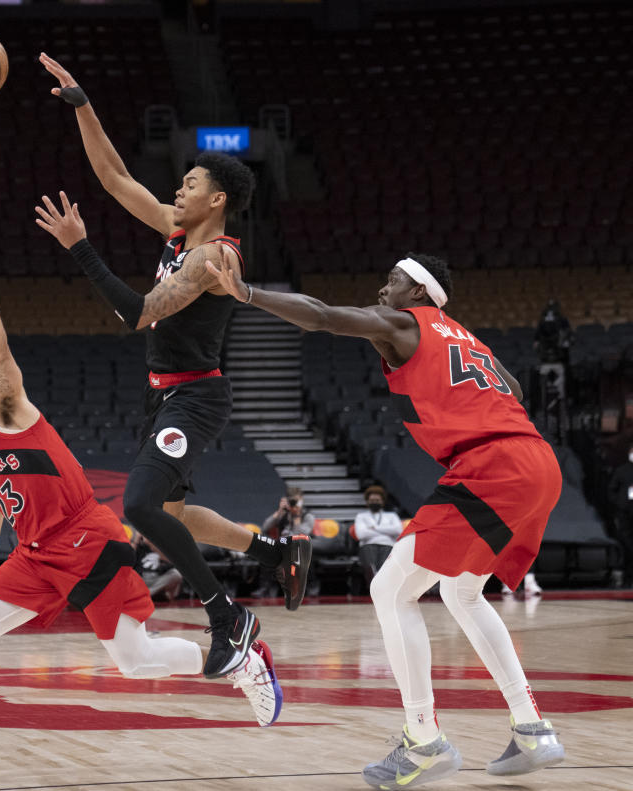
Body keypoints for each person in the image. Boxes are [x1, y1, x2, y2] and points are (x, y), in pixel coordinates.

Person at [0, 236, 282, 781]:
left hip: (86, 538)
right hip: (35, 554)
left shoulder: (7, 409)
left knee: (135, 661)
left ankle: (242, 663)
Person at [208, 252, 566, 788]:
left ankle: (424, 741)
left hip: (491, 465)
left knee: (390, 590)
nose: (382, 289)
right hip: (537, 462)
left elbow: (323, 315)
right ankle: (533, 729)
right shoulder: (463, 336)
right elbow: (511, 388)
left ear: (419, 293)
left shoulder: (405, 323)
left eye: (393, 281)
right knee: (462, 593)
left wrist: (248, 295)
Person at [35, 52, 313, 679]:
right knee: (176, 517)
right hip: (163, 396)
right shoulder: (175, 230)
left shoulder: (214, 259)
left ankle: (227, 617)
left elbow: (138, 311)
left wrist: (80, 247)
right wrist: (84, 105)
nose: (176, 191)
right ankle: (273, 552)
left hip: (197, 396)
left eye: (188, 185)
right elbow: (113, 177)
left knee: (138, 506)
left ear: (215, 200)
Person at [352, 485, 403, 588]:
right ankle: (375, 582)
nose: (374, 502)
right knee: (371, 564)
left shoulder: (392, 516)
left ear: (382, 501)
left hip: (388, 545)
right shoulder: (361, 516)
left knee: (384, 566)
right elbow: (361, 534)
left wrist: (374, 528)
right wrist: (387, 530)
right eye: (372, 500)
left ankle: (378, 583)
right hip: (368, 545)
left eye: (377, 500)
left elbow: (398, 530)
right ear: (367, 502)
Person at [607, 443, 633, 586]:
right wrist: (620, 503)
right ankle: (625, 574)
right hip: (625, 513)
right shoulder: (622, 471)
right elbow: (611, 490)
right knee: (625, 542)